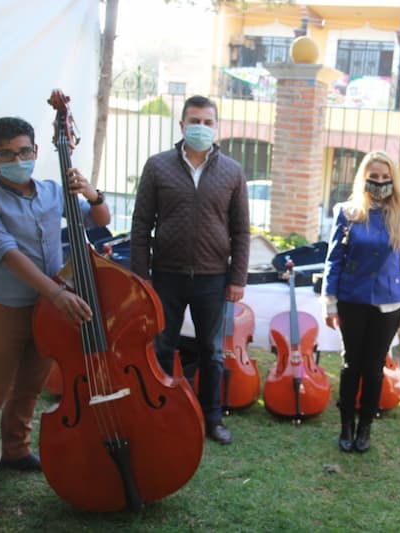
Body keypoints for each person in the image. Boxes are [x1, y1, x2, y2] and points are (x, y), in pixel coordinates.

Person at [0, 117, 111, 523]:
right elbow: (7, 254)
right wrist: (57, 292)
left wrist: (93, 195)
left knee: (30, 384)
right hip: (9, 306)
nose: (18, 159)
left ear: (37, 152)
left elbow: (101, 221)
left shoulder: (54, 191)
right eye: (6, 154)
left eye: (24, 151)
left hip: (47, 309)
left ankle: (17, 450)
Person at [130, 95, 250, 445]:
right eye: (194, 121)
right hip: (166, 275)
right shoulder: (158, 166)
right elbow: (141, 224)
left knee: (212, 352)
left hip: (213, 278)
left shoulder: (232, 171)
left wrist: (237, 278)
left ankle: (212, 418)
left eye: (208, 122)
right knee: (163, 347)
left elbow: (241, 230)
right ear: (182, 126)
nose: (201, 128)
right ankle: (164, 412)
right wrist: (142, 276)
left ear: (216, 128)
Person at [322, 151, 400, 453]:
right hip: (352, 300)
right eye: (373, 177)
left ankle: (365, 428)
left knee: (374, 367)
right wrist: (330, 301)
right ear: (363, 178)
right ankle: (346, 425)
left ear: (393, 178)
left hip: (389, 304)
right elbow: (334, 260)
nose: (380, 182)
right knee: (351, 365)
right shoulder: (348, 212)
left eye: (385, 177)